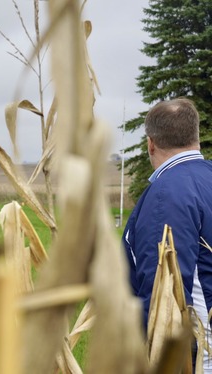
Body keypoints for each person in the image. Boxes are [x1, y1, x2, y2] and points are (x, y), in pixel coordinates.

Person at [122, 98, 212, 371]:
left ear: (151, 143)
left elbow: (164, 296)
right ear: (195, 136)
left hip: (198, 360)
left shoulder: (167, 195)